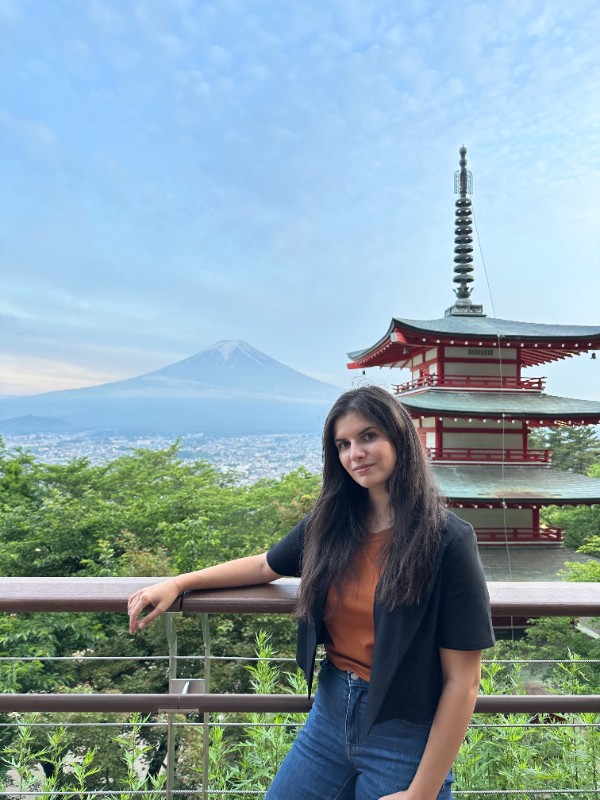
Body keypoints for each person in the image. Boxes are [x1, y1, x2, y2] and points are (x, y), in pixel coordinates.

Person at [128, 386, 495, 800]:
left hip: (405, 730)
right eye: (343, 444)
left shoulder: (446, 540)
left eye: (369, 436)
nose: (355, 453)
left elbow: (463, 681)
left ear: (399, 438)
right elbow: (267, 564)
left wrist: (421, 792)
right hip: (331, 711)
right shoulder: (333, 522)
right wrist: (179, 583)